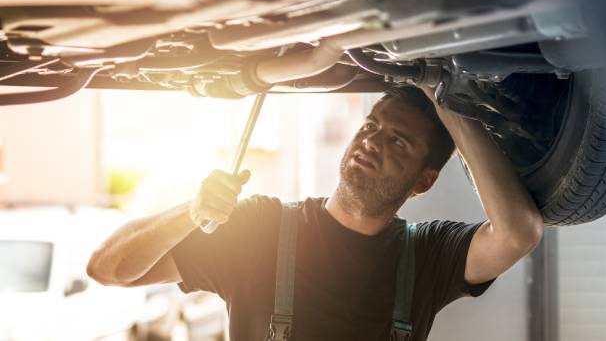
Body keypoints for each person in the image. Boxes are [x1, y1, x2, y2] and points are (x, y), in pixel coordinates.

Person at [87, 86, 544, 341]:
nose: (372, 141)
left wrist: (447, 101)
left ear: (424, 180)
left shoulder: (426, 255)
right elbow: (109, 269)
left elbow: (518, 233)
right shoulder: (258, 229)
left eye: (397, 141)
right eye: (371, 126)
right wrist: (191, 211)